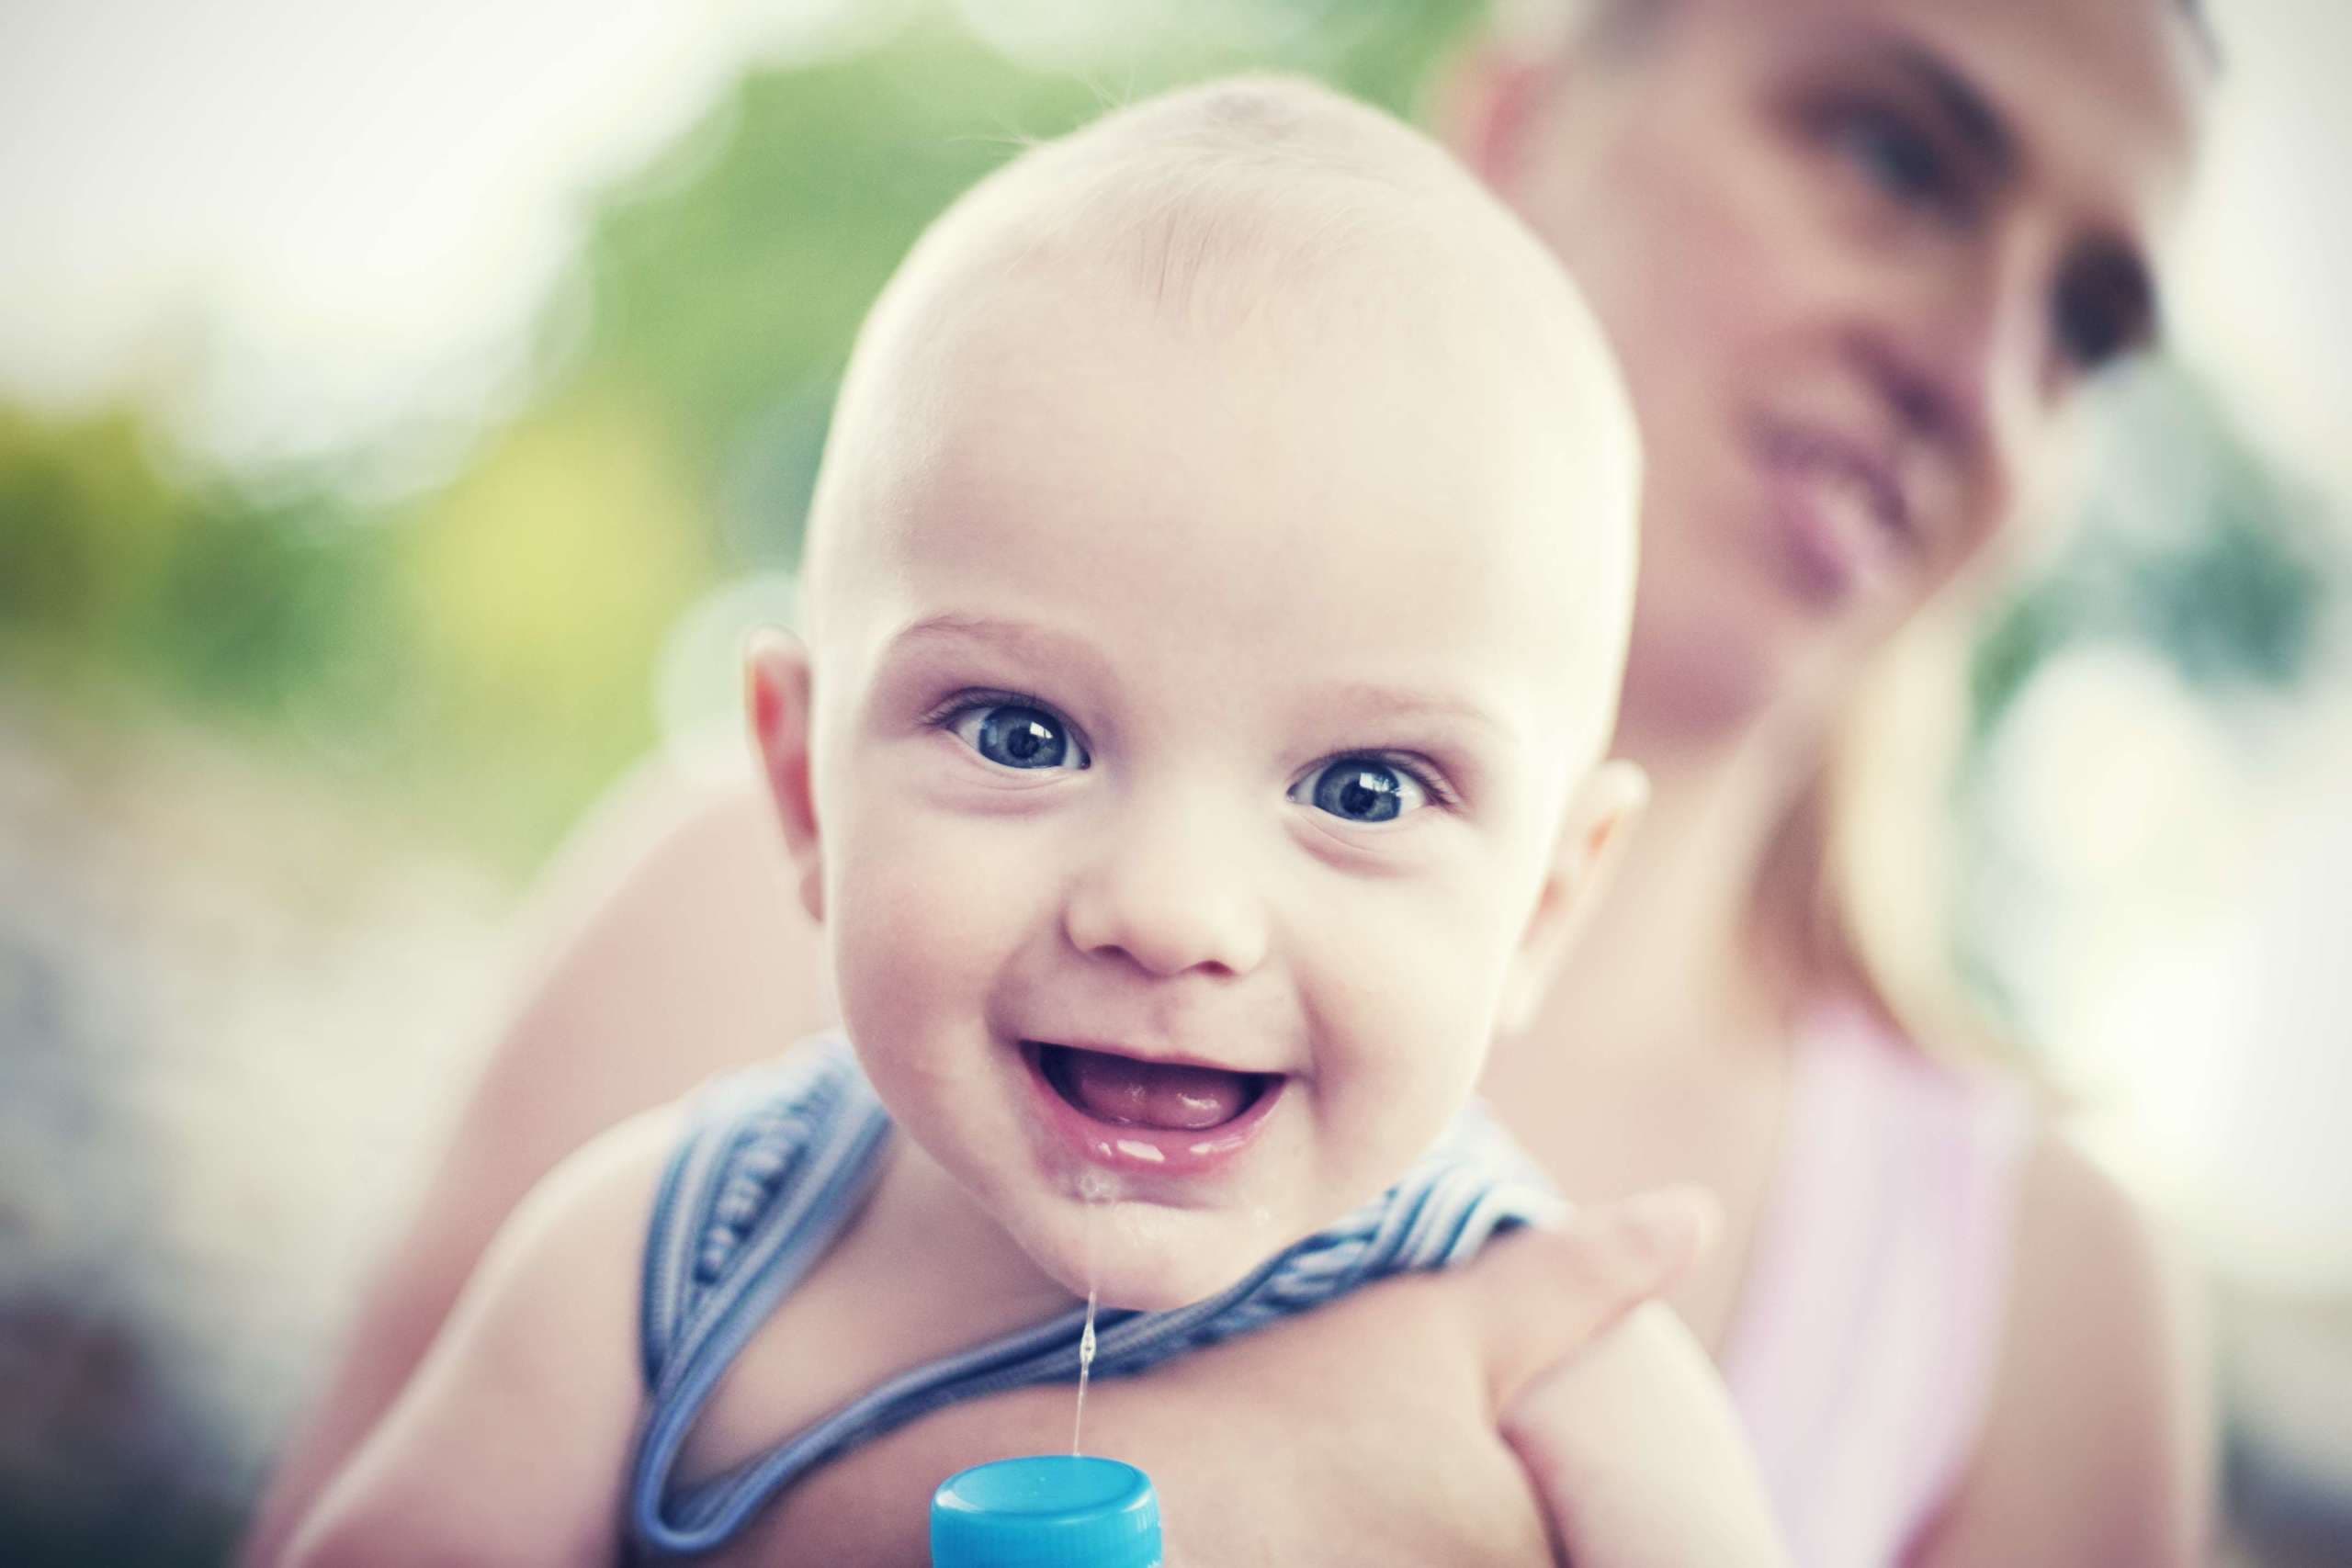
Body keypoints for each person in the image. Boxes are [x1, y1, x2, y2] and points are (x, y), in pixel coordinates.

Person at [249, 0, 2219, 1563]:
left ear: (1548, 890)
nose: (1172, 911)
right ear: (803, 792)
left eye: (1366, 785)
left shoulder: (1689, 1327)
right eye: (1887, 155)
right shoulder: (667, 1236)